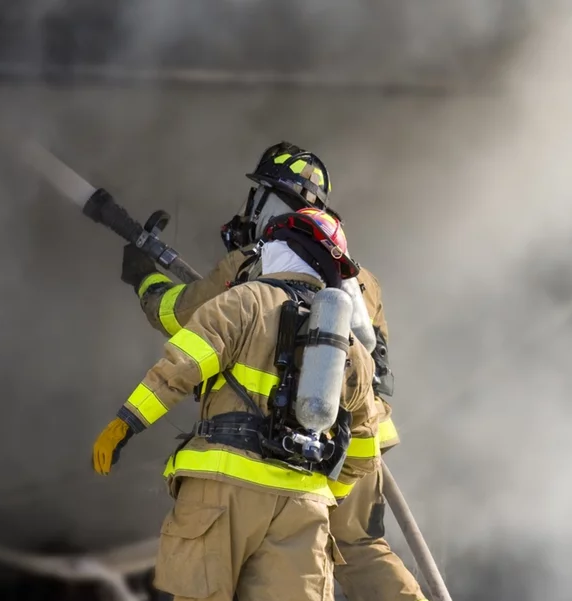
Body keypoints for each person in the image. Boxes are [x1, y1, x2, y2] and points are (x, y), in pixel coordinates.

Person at [120, 142, 426, 601]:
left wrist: (145, 278)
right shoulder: (360, 280)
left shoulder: (252, 264)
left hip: (281, 449)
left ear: (271, 200)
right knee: (364, 549)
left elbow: (182, 318)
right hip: (361, 439)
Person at [93, 208, 381, 601]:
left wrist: (126, 423)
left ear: (282, 248)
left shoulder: (244, 301)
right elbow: (365, 449)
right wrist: (329, 493)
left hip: (222, 494)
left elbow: (182, 366)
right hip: (303, 510)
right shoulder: (350, 349)